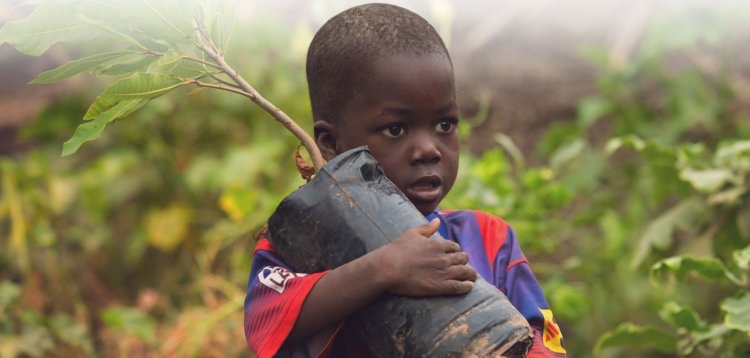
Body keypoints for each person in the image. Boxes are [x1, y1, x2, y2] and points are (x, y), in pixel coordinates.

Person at [244, 4, 566, 357]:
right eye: (396, 129)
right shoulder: (299, 246)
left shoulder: (489, 239)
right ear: (331, 144)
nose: (429, 150)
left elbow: (537, 338)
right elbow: (266, 323)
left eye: (445, 124)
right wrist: (384, 268)